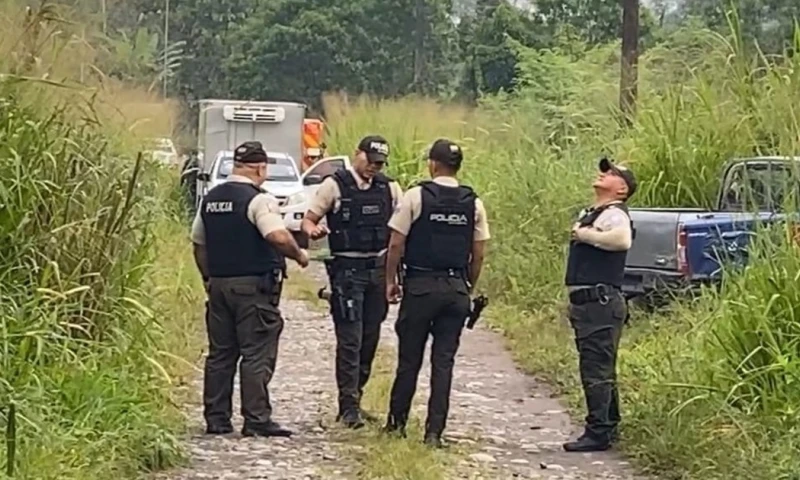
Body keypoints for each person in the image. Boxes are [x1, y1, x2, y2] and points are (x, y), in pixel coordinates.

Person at [191, 141, 310, 438]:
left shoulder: (211, 198)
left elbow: (199, 243)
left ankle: (217, 419)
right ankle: (256, 419)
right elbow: (277, 235)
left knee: (221, 354)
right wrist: (299, 255)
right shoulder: (259, 200)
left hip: (218, 285)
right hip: (253, 288)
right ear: (260, 167)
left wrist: (208, 278)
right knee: (256, 352)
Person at [383, 139, 490, 448]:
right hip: (455, 289)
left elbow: (395, 244)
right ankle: (434, 433)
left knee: (409, 360)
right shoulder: (474, 202)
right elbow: (479, 252)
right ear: (458, 167)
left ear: (432, 164)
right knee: (443, 363)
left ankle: (396, 424)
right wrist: (468, 285)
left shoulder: (416, 196)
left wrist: (391, 281)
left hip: (420, 287)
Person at [300, 135, 403, 429]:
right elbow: (308, 220)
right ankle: (347, 406)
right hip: (346, 270)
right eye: (369, 161)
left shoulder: (390, 188)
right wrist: (315, 230)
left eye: (379, 163)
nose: (373, 167)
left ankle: (356, 397)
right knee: (350, 339)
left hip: (378, 270)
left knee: (370, 338)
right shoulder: (334, 185)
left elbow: (401, 227)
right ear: (356, 154)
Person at [562, 157, 636, 452]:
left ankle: (598, 432)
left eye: (612, 173)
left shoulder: (615, 215)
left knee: (596, 367)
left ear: (622, 189)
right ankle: (608, 424)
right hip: (591, 302)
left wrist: (583, 234)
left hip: (600, 302)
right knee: (600, 365)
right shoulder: (596, 212)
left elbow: (622, 241)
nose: (603, 173)